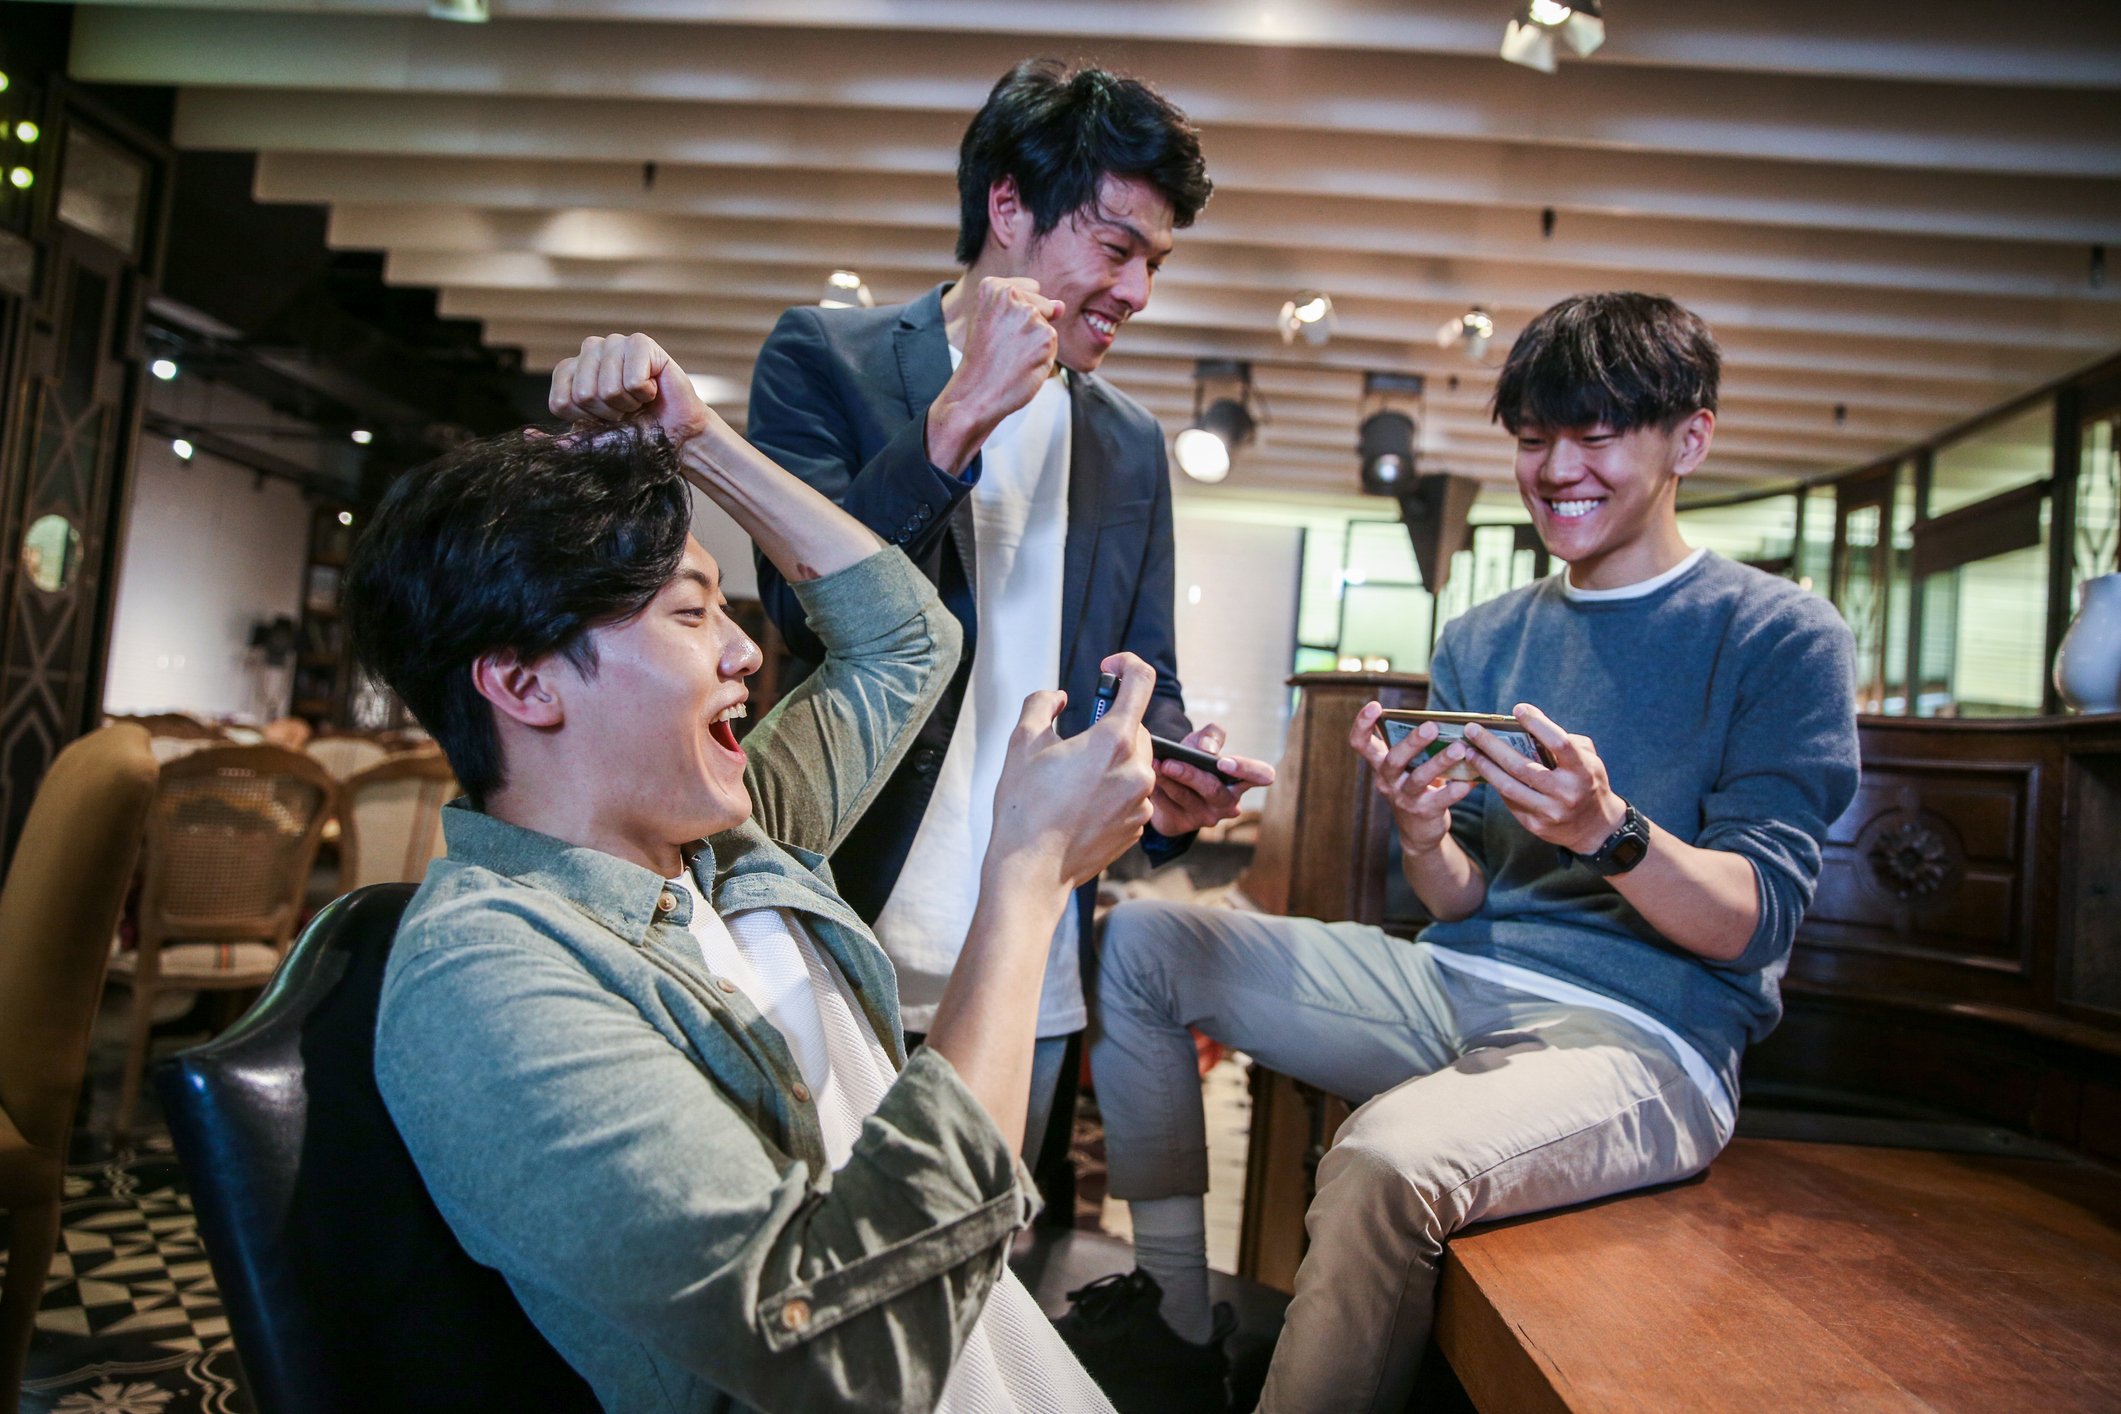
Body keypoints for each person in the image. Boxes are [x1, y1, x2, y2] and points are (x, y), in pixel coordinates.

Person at [346, 330, 1165, 1412]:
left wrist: (699, 442)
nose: (744, 650)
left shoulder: (734, 836)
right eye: (691, 613)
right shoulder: (486, 970)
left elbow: (905, 635)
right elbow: (852, 1360)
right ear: (524, 685)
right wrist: (1025, 877)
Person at [1078, 293, 1862, 1412]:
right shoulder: (1484, 637)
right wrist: (1420, 829)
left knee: (1384, 1159)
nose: (1557, 469)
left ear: (1690, 438)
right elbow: (1455, 904)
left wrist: (1609, 831)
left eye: (1596, 435)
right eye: (1534, 437)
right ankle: (1171, 1319)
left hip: (1652, 1040)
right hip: (1461, 979)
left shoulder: (1780, 635)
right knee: (1145, 935)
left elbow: (1755, 921)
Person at [746, 58, 1273, 1168]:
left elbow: (1145, 672)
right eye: (1118, 248)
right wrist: (956, 420)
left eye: (1156, 263)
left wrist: (1174, 768)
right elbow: (799, 610)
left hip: (1030, 945)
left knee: (986, 1288)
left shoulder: (1129, 442)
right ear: (1008, 206)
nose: (1137, 291)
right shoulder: (824, 360)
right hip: (839, 917)